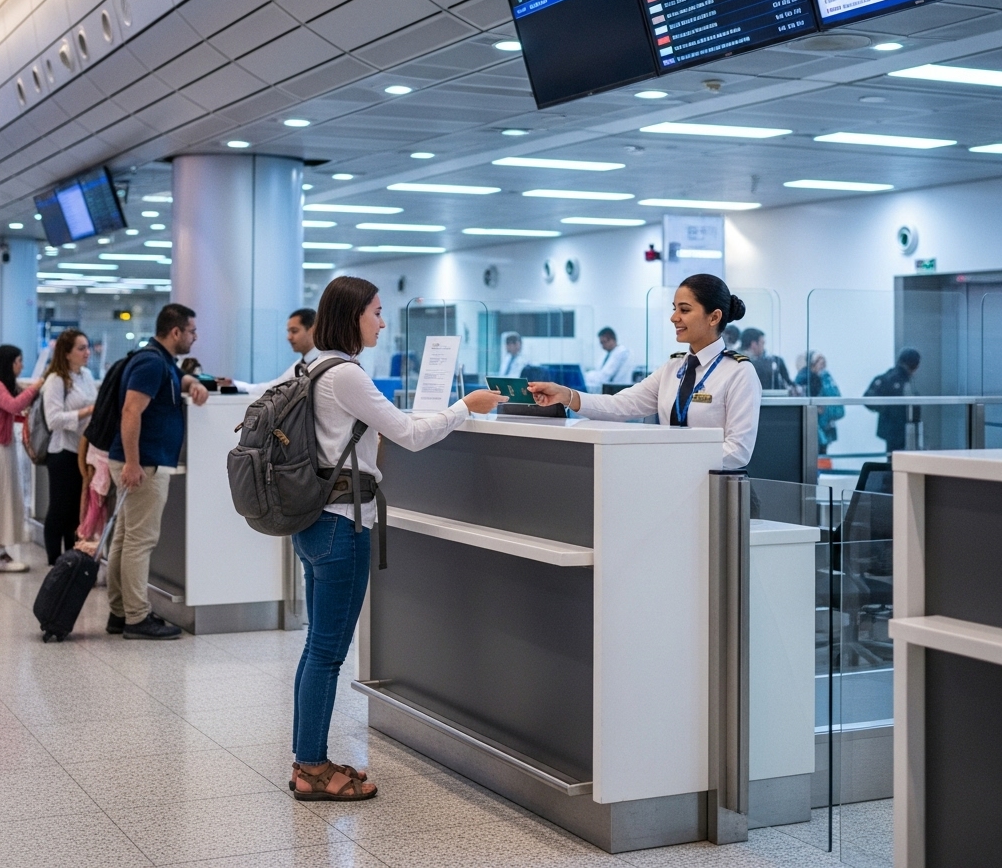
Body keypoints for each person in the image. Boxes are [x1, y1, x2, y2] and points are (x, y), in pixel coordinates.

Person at [289, 276, 506, 802]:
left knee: (316, 647)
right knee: (327, 652)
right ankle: (311, 767)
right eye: (376, 312)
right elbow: (409, 433)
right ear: (353, 317)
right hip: (343, 525)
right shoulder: (346, 374)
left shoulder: (313, 368)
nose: (383, 322)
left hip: (313, 521)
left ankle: (307, 759)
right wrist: (465, 406)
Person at [528, 274, 762, 470]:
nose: (674, 317)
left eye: (684, 309)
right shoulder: (674, 368)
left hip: (718, 490)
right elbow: (621, 405)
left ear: (714, 317)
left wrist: (671, 459)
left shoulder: (738, 372)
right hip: (673, 484)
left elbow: (738, 451)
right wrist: (567, 396)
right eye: (674, 309)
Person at [106, 304, 209, 639]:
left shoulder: (160, 360)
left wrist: (192, 382)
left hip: (140, 460)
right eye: (192, 331)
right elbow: (131, 411)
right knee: (139, 541)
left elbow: (178, 378)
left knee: (125, 538)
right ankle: (136, 618)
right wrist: (133, 463)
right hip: (143, 463)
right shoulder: (152, 363)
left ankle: (119, 612)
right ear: (175, 332)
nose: (195, 337)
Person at [0, 345, 44, 572]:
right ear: (8, 363)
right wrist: (36, 387)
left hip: (0, 447)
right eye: (19, 361)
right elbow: (14, 405)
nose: (21, 366)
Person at [42, 329, 97, 564]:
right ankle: (54, 560)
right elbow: (53, 420)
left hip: (83, 452)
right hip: (62, 453)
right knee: (60, 508)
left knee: (77, 510)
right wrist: (87, 411)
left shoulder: (86, 376)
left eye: (87, 347)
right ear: (67, 353)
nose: (87, 352)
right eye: (81, 348)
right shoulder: (55, 380)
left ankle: (71, 559)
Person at [242, 308, 320, 396]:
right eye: (289, 332)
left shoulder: (323, 363)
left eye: (294, 331)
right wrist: (237, 386)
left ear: (312, 330)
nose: (289, 337)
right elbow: (275, 386)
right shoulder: (301, 363)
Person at [865, 348, 921, 453]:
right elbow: (868, 399)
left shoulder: (889, 377)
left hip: (892, 427)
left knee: (893, 456)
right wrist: (889, 409)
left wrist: (885, 409)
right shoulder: (901, 380)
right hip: (900, 427)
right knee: (899, 457)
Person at [795, 351, 844, 455]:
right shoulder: (807, 378)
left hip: (825, 423)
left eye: (823, 363)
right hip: (816, 424)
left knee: (822, 452)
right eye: (819, 362)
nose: (822, 366)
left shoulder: (826, 378)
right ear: (812, 364)